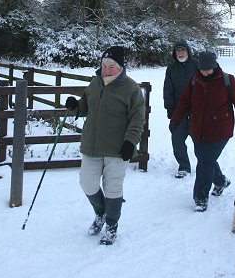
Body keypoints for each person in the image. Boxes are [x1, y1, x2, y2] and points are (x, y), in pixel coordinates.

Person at [65, 46, 145, 245]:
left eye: (110, 66)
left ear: (120, 67)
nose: (106, 70)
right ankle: (100, 212)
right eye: (103, 65)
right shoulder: (95, 82)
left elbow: (137, 119)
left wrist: (130, 141)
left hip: (118, 148)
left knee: (113, 188)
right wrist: (76, 106)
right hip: (92, 145)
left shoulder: (131, 88)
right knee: (87, 182)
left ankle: (111, 223)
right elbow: (86, 106)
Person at [170, 51, 235, 212]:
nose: (204, 72)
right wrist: (175, 120)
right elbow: (184, 101)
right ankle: (221, 181)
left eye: (208, 69)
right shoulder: (195, 80)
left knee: (204, 162)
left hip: (220, 130)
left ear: (214, 66)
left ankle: (200, 198)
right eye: (202, 69)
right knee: (205, 158)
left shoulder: (228, 80)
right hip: (197, 130)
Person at [163, 39, 198, 178]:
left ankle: (206, 166)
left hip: (197, 111)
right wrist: (170, 110)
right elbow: (168, 91)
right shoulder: (171, 69)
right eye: (177, 50)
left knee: (201, 143)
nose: (180, 53)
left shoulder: (197, 65)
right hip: (179, 112)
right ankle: (184, 167)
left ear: (188, 51)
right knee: (177, 140)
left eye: (183, 50)